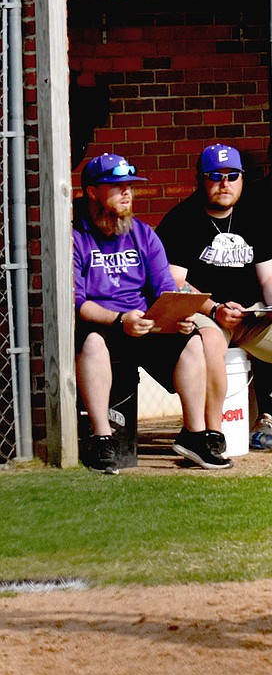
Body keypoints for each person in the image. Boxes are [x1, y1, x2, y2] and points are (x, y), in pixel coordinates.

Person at [156, 144, 272, 453]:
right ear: (200, 179)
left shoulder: (254, 214)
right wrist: (214, 308)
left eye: (232, 176)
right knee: (210, 343)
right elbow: (175, 283)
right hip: (206, 315)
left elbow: (270, 277)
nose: (225, 183)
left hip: (250, 315)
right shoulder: (181, 219)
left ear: (242, 179)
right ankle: (211, 435)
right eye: (215, 176)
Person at [73, 152, 233, 474]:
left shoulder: (143, 234)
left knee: (194, 341)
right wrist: (119, 320)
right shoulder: (77, 237)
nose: (127, 192)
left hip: (143, 322)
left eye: (129, 186)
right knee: (91, 343)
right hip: (104, 324)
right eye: (117, 186)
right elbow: (78, 304)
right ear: (92, 192)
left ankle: (194, 434)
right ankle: (102, 439)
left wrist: (178, 316)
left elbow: (165, 289)